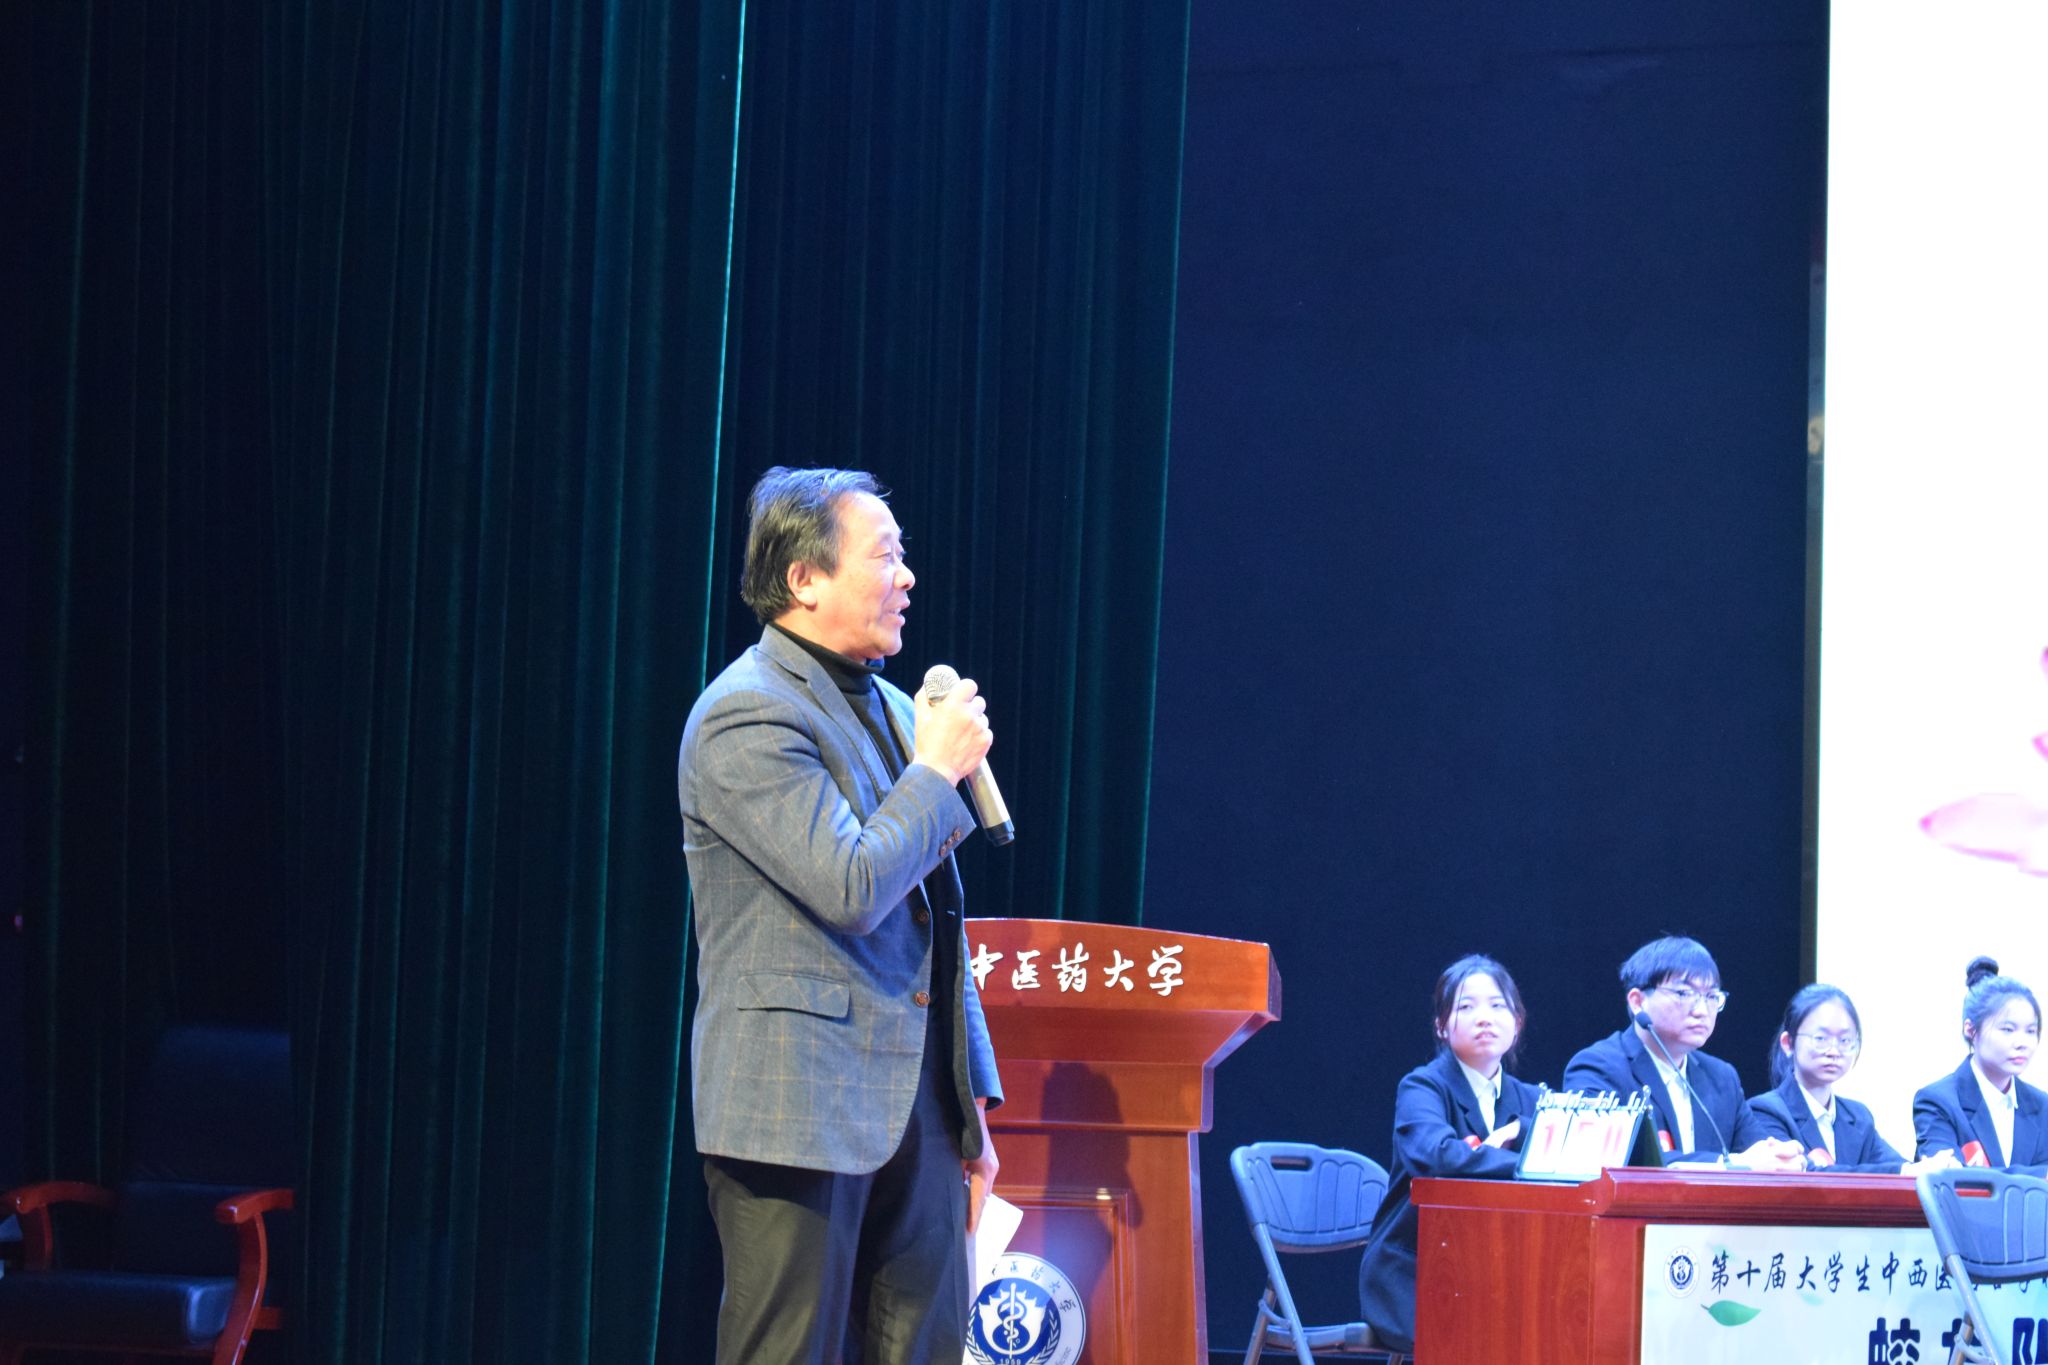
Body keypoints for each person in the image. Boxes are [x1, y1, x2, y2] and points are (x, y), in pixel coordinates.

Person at [678, 467, 1004, 1365]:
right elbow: (852, 886)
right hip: (798, 1104)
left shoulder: (897, 708)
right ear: (805, 579)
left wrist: (971, 1097)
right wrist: (934, 773)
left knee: (930, 1347)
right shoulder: (746, 713)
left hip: (919, 1108)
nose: (907, 577)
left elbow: (939, 919)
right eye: (886, 557)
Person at [1357, 954, 1539, 1356]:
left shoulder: (1532, 1099)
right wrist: (1531, 1165)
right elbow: (1436, 1156)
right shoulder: (1422, 1087)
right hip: (1415, 1270)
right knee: (1490, 1338)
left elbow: (1572, 1158)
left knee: (1553, 1323)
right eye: (1466, 1007)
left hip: (1498, 1271)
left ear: (1517, 1022)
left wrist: (1524, 1136)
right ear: (1441, 1026)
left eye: (1498, 1006)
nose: (1484, 1018)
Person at [1562, 935, 1802, 1169]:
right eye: (1684, 994)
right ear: (1637, 1002)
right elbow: (1618, 1161)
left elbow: (1758, 1149)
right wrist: (1731, 1165)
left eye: (1711, 997)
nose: (1701, 1010)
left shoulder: (1722, 1077)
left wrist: (1782, 1156)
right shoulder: (1597, 1068)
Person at [1747, 984, 1956, 1174]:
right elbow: (1806, 1174)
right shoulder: (1766, 1111)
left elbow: (1896, 1167)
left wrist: (1930, 1168)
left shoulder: (1858, 1116)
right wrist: (1906, 1171)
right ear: (1788, 1043)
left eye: (1845, 1040)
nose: (1833, 1051)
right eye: (1820, 1039)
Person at [1913, 956, 2046, 1173]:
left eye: (2030, 1031)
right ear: (1971, 1030)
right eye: (2008, 1030)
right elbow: (1950, 1177)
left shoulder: (2042, 1106)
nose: (2022, 1043)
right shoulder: (1938, 1101)